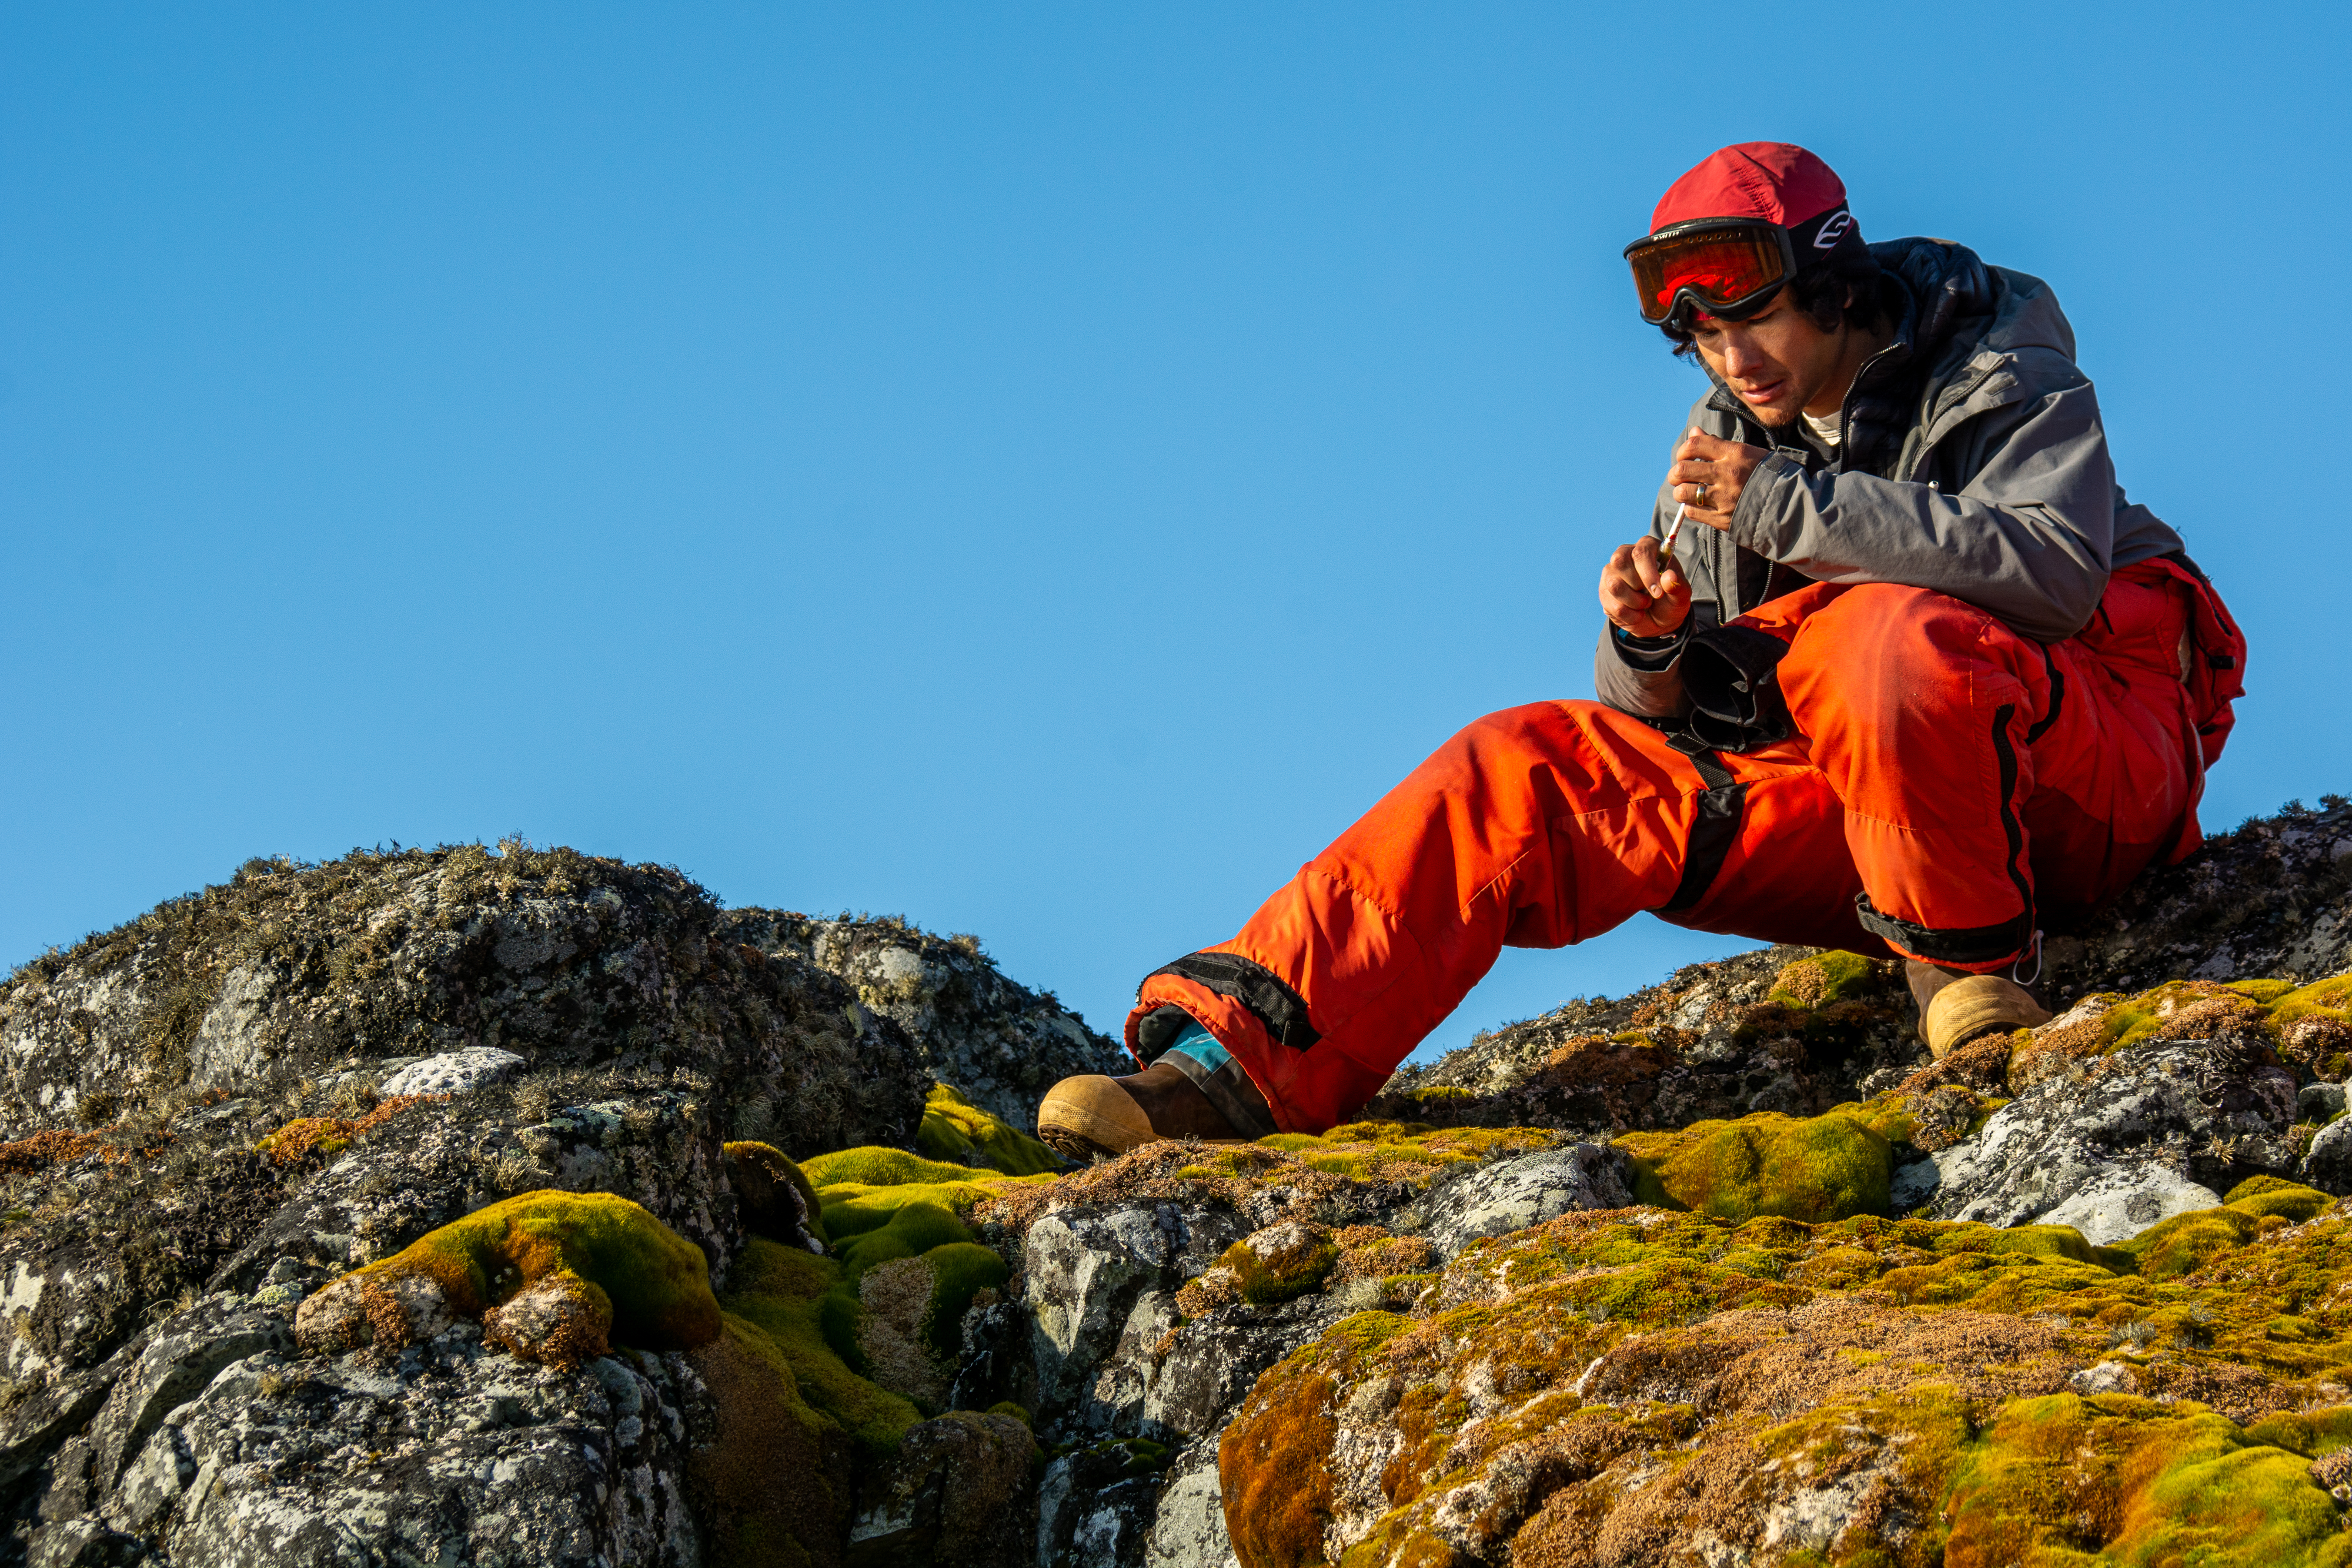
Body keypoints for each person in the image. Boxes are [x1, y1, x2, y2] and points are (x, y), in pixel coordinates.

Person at [1037, 141, 2246, 1159]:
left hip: (2078, 770)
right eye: (1701, 341)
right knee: (1517, 761)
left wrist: (1783, 508)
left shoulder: (2000, 362)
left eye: (1750, 318)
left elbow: (2050, 571)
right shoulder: (1725, 442)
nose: (1730, 360)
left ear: (1829, 282)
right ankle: (1219, 1080)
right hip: (1869, 810)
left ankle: (1966, 985)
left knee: (1877, 632)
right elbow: (1657, 731)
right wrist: (1648, 643)